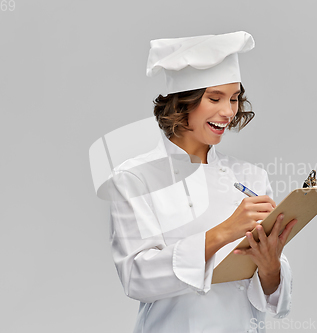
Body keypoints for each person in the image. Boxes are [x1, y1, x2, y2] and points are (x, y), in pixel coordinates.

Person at [108, 31, 297, 333]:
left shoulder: (251, 177)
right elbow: (136, 277)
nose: (228, 111)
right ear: (182, 102)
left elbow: (274, 297)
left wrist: (271, 265)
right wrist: (223, 232)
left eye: (234, 99)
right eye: (215, 98)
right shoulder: (135, 178)